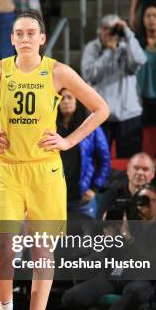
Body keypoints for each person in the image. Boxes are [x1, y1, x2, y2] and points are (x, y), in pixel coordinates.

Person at [0, 10, 109, 310]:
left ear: (42, 38)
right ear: (12, 39)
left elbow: (100, 109)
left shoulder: (58, 71)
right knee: (4, 248)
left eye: (32, 32)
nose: (26, 38)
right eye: (20, 33)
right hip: (10, 170)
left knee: (42, 253)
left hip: (46, 172)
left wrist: (68, 141)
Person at [81, 14, 146, 158]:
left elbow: (139, 61)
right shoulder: (92, 47)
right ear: (100, 30)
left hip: (129, 113)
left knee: (130, 161)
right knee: (98, 160)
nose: (109, 33)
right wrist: (109, 53)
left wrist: (128, 34)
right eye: (106, 29)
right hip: (101, 115)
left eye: (114, 29)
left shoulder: (127, 45)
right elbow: (89, 75)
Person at [57, 89, 110, 219]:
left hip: (81, 199)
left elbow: (104, 160)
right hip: (55, 196)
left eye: (70, 97)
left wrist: (94, 188)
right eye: (62, 98)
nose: (66, 102)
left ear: (77, 101)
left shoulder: (90, 127)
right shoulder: (50, 127)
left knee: (85, 239)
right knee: (54, 239)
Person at [98, 152, 156, 220]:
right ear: (128, 170)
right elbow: (99, 228)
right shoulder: (111, 196)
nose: (140, 173)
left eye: (145, 169)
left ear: (153, 174)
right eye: (136, 168)